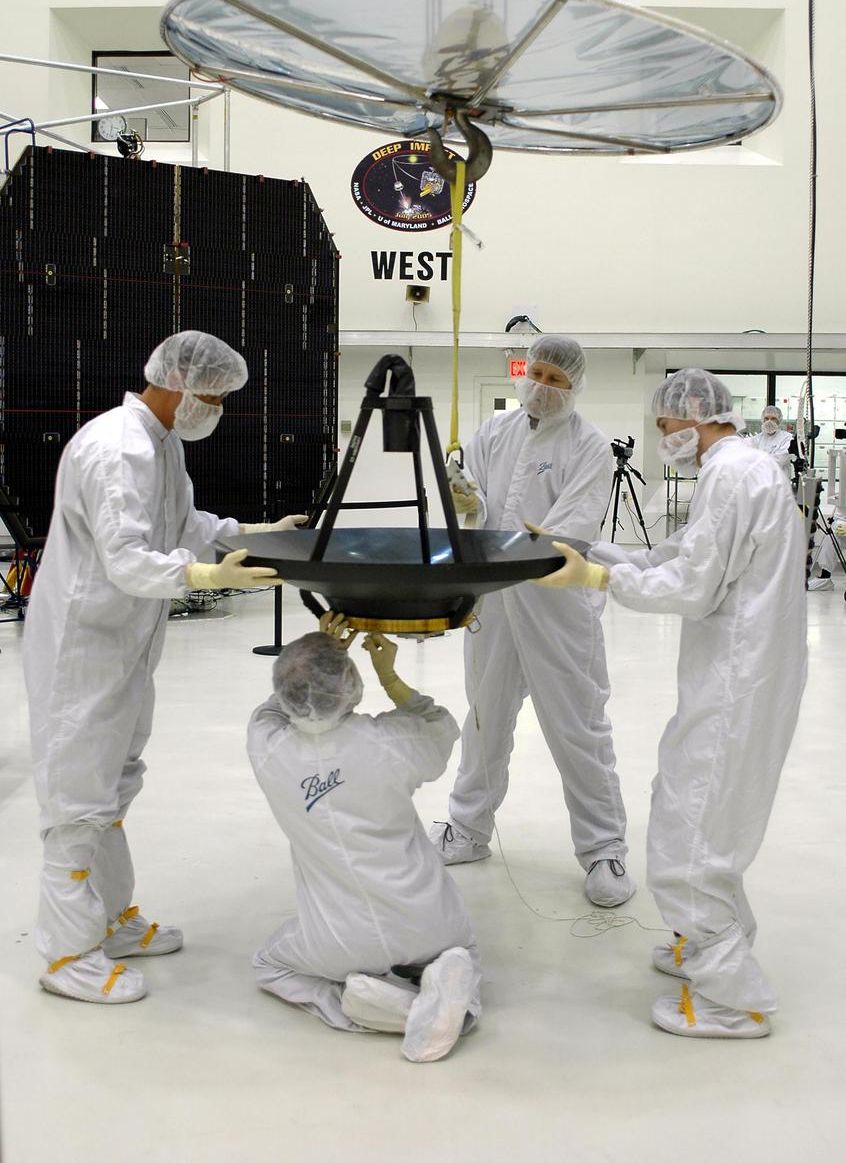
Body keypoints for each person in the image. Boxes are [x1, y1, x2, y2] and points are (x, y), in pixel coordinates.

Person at [24, 330, 307, 1004]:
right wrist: (209, 574)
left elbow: (182, 525)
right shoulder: (118, 449)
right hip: (83, 647)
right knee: (77, 799)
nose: (216, 408)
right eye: (212, 395)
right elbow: (126, 558)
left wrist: (254, 533)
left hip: (124, 640)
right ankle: (66, 956)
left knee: (114, 785)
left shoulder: (161, 443)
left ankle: (112, 919)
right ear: (177, 383)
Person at [532, 368, 807, 1038]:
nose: (664, 440)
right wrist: (595, 550)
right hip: (747, 673)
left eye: (665, 428)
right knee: (707, 815)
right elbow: (678, 552)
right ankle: (713, 940)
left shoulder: (731, 476)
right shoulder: (742, 471)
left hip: (735, 680)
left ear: (693, 416)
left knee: (690, 833)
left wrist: (597, 577)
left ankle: (730, 1000)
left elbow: (688, 587)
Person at [429, 334, 634, 909]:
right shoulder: (494, 432)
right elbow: (470, 504)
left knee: (577, 725)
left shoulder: (589, 446)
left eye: (556, 380)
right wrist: (464, 501)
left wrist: (494, 531)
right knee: (484, 717)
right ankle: (467, 829)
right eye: (537, 374)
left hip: (555, 603)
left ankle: (603, 849)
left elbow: (567, 532)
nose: (542, 387)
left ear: (575, 388)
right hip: (492, 600)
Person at [248, 614, 481, 1063]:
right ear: (349, 685)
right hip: (430, 921)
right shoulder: (389, 741)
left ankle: (372, 1007)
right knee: (463, 950)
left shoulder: (268, 750)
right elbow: (439, 724)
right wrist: (389, 676)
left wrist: (318, 649)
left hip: (336, 942)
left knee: (269, 964)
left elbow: (272, 709)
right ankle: (450, 994)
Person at [747, 405, 794, 478]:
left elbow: (779, 460)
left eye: (773, 419)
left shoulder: (787, 438)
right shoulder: (757, 438)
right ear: (763, 420)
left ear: (779, 420)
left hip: (780, 483)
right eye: (766, 418)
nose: (769, 421)